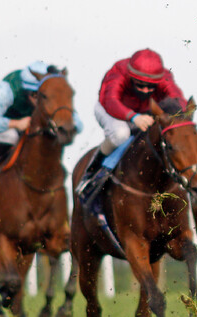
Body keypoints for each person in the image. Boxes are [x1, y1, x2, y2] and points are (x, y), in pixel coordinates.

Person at [76, 49, 188, 210]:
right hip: (110, 108)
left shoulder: (164, 78)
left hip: (143, 111)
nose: (145, 90)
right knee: (121, 134)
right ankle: (92, 172)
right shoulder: (119, 72)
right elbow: (111, 101)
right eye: (140, 85)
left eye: (151, 87)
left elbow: (178, 99)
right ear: (131, 77)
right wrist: (133, 117)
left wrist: (178, 115)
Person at [0, 61, 80, 201]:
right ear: (26, 90)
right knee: (10, 137)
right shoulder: (9, 87)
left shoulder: (51, 87)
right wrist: (16, 123)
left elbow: (76, 122)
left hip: (35, 128)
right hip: (6, 126)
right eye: (34, 95)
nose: (37, 100)